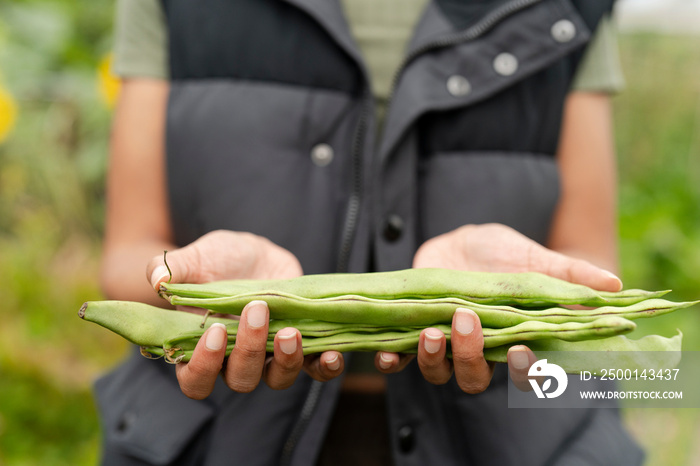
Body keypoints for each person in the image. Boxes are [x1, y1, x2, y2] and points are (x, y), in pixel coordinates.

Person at [96, 0, 643, 464]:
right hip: (223, 438)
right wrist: (201, 284)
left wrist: (509, 305)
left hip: (503, 438)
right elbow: (128, 256)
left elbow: (588, 264)